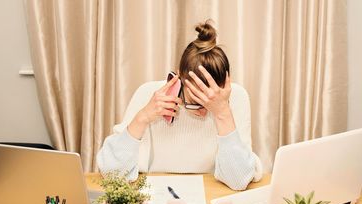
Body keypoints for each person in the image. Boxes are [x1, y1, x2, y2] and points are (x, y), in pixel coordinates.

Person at [97, 21, 262, 190]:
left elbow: (238, 180)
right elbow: (112, 174)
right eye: (195, 103)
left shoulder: (236, 98)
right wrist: (143, 118)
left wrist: (222, 113)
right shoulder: (149, 94)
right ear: (179, 77)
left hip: (212, 198)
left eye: (211, 102)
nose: (204, 112)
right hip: (156, 198)